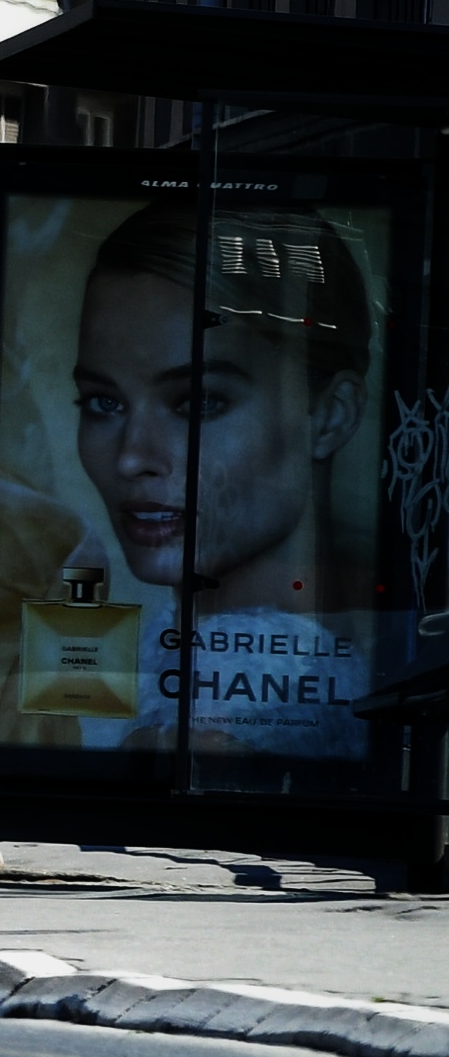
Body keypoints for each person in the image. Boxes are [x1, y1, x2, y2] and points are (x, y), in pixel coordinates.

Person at [69, 196, 377, 759]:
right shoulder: (128, 656)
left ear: (331, 415)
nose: (131, 458)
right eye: (103, 403)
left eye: (200, 402)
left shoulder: (308, 698)